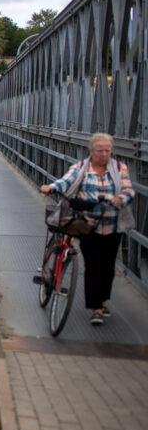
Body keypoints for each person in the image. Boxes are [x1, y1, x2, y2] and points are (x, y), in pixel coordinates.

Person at [40, 133, 135, 325]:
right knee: (93, 265)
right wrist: (51, 187)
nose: (104, 154)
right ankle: (96, 308)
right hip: (87, 225)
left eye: (107, 151)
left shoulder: (119, 168)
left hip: (112, 225)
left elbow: (128, 189)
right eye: (100, 151)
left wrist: (120, 199)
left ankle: (102, 300)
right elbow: (66, 181)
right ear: (91, 151)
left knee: (108, 268)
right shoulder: (81, 168)